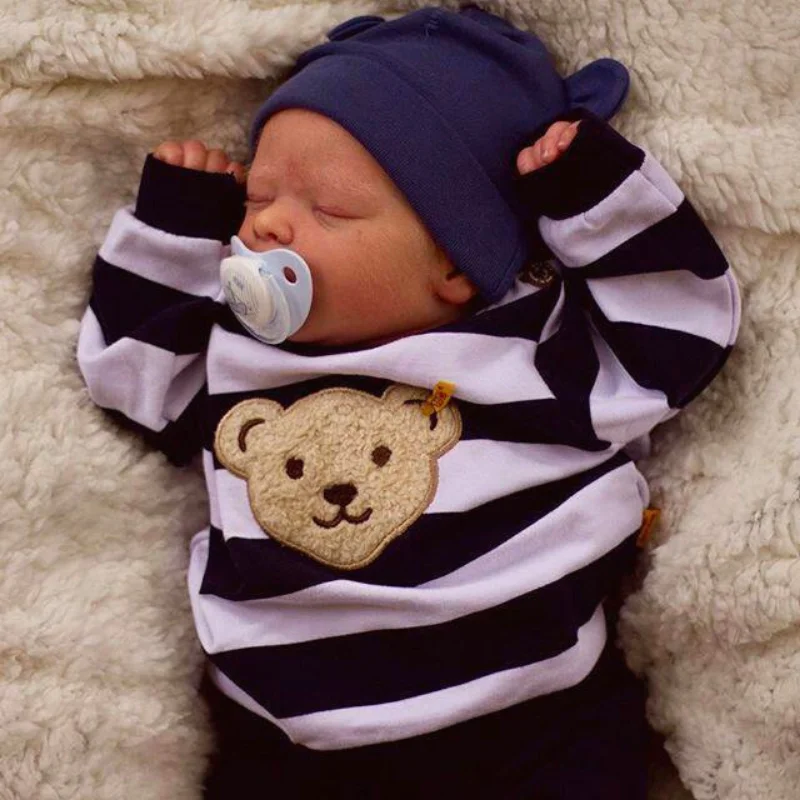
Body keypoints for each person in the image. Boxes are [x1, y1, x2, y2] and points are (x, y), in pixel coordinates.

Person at [76, 4, 741, 797]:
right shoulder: (235, 353)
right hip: (290, 738)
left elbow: (678, 336)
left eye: (328, 209)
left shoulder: (530, 347)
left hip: (533, 717)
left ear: (455, 265)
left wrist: (590, 195)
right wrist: (175, 225)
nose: (270, 225)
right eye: (257, 198)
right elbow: (130, 382)